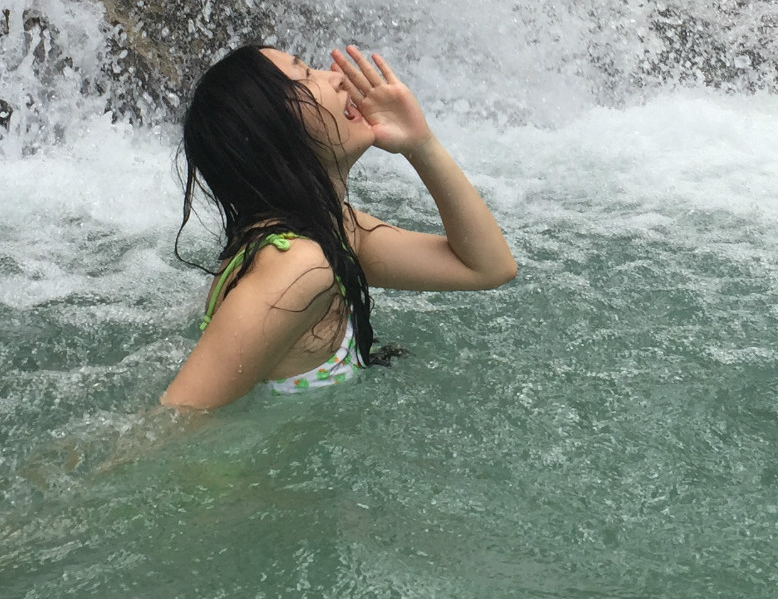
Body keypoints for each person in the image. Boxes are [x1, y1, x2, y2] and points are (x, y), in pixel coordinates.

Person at [161, 44, 517, 410]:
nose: (336, 77)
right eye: (305, 76)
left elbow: (488, 267)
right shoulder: (299, 267)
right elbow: (174, 423)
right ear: (271, 130)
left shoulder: (335, 229)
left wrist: (420, 144)